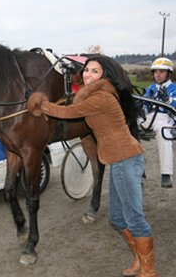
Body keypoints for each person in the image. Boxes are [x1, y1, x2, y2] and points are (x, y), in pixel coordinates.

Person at [28, 55, 156, 277]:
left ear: (104, 75)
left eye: (94, 71)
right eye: (86, 70)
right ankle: (138, 258)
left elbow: (69, 113)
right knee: (117, 218)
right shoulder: (93, 96)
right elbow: (74, 106)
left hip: (126, 158)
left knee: (134, 217)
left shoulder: (102, 98)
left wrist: (42, 103)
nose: (88, 74)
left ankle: (149, 270)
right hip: (116, 161)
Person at [141, 57, 176, 188]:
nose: (158, 75)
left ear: (168, 74)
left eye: (161, 72)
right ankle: (138, 167)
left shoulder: (175, 89)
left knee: (163, 132)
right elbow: (144, 106)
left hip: (165, 119)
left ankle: (166, 174)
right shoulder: (151, 88)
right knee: (128, 126)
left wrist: (168, 100)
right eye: (155, 72)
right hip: (149, 118)